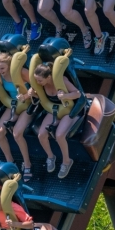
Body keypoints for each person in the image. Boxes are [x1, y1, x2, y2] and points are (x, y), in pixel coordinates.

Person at [0, 35, 40, 181]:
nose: (0, 71)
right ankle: (10, 162)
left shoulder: (21, 72)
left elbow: (37, 88)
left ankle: (28, 164)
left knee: (17, 133)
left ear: (10, 65)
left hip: (27, 105)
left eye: (2, 68)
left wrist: (26, 95)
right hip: (12, 104)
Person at [30, 38, 83, 178]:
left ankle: (66, 161)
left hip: (69, 110)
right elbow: (39, 98)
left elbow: (78, 94)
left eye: (39, 80)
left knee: (60, 135)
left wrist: (65, 96)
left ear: (48, 77)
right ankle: (50, 156)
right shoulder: (41, 85)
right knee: (41, 134)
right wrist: (32, 93)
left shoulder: (62, 80)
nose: (37, 83)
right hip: (54, 110)